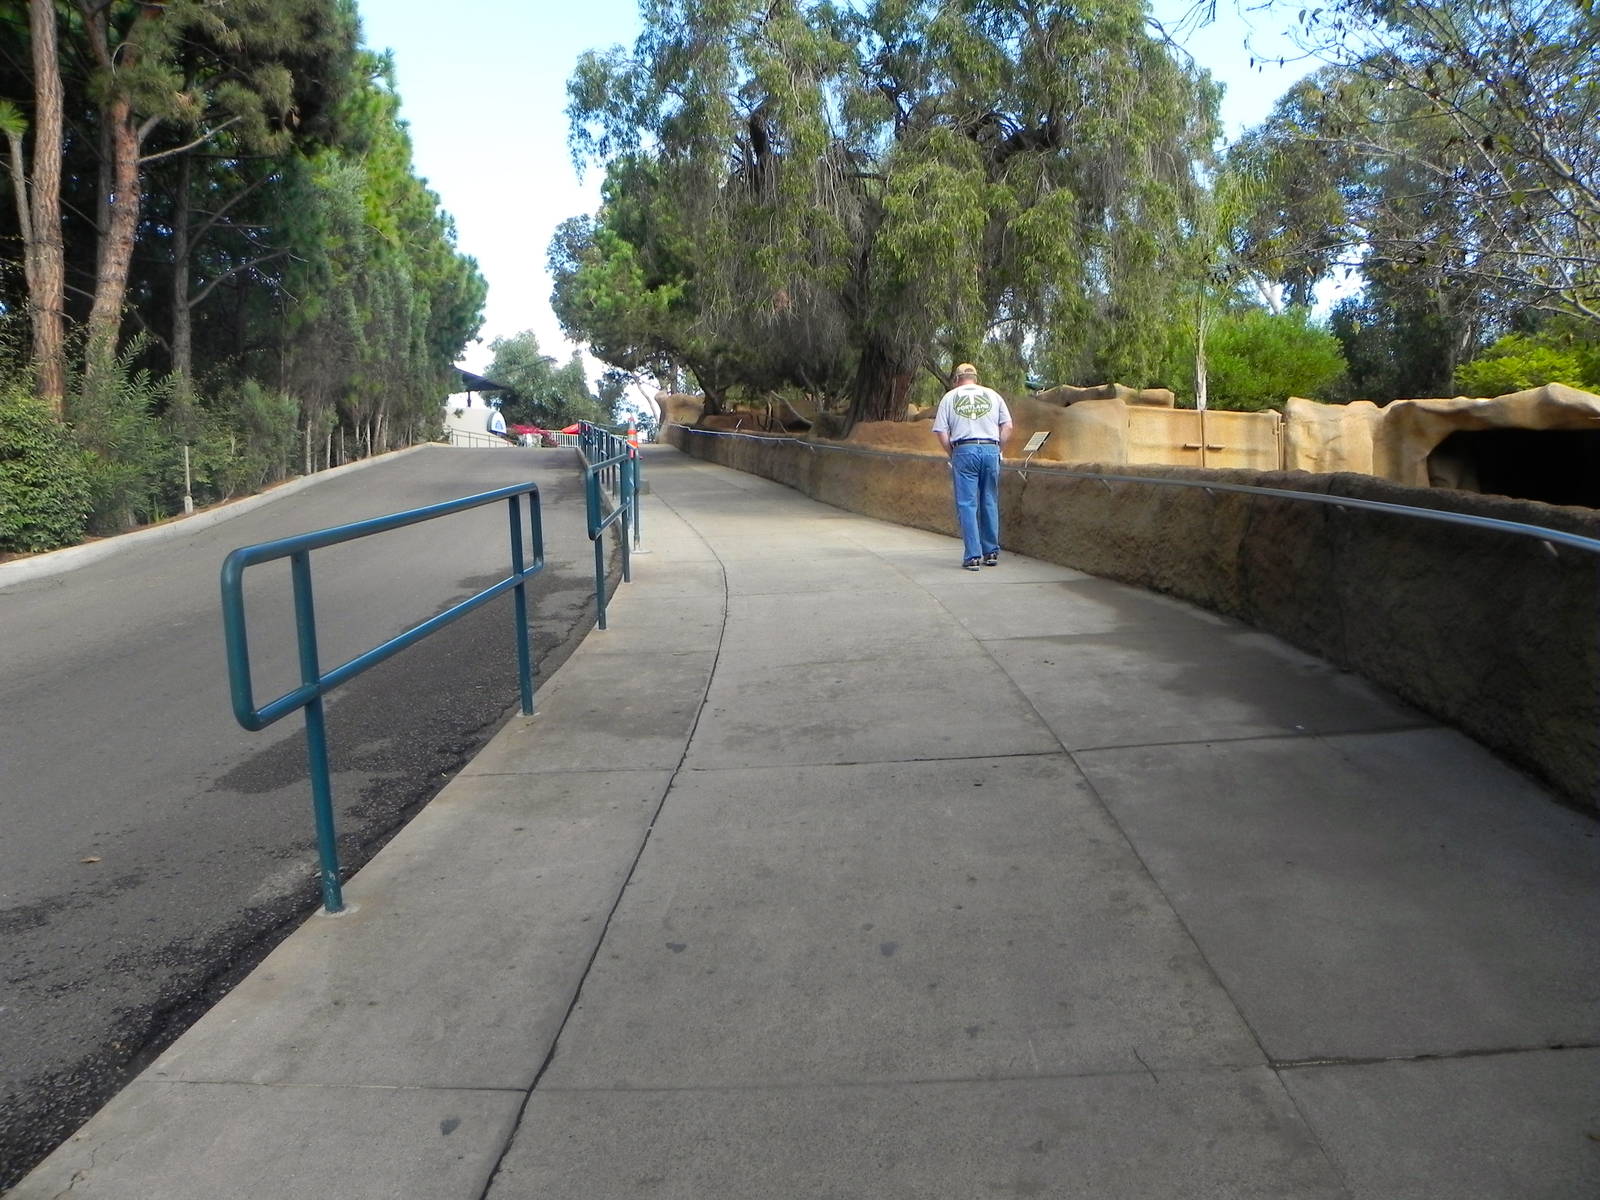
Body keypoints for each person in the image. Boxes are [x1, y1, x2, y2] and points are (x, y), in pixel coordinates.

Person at [932, 362, 1013, 570]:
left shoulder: (949, 398)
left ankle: (973, 556)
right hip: (990, 448)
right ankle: (991, 551)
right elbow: (1008, 426)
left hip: (964, 448)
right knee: (989, 500)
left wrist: (953, 453)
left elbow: (941, 431)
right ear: (976, 378)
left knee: (967, 504)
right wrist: (998, 449)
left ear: (956, 379)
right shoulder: (993, 395)